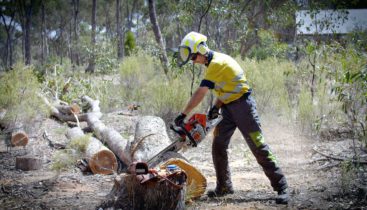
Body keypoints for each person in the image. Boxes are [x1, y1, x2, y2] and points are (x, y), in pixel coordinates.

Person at [174, 31, 289, 204]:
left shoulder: (217, 63)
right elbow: (227, 85)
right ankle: (224, 186)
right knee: (218, 145)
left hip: (244, 107)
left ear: (201, 50)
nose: (192, 60)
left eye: (193, 57)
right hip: (228, 107)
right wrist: (216, 107)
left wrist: (183, 114)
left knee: (258, 146)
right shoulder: (213, 63)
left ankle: (282, 187)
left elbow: (201, 93)